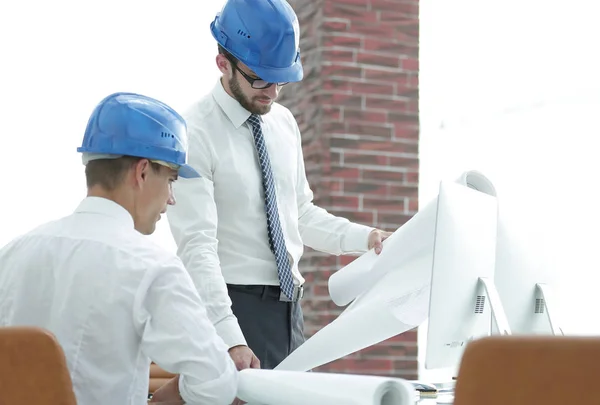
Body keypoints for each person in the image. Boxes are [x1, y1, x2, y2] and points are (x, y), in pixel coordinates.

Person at [167, 0, 392, 371]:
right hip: (232, 310)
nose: (272, 92)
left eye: (281, 79)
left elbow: (298, 214)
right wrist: (230, 337)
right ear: (223, 63)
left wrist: (366, 238)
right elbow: (197, 248)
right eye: (260, 78)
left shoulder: (283, 123)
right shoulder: (195, 133)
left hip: (289, 312)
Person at [0, 92, 239, 405]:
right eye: (171, 179)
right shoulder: (152, 267)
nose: (171, 198)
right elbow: (216, 383)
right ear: (141, 172)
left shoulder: (13, 253)